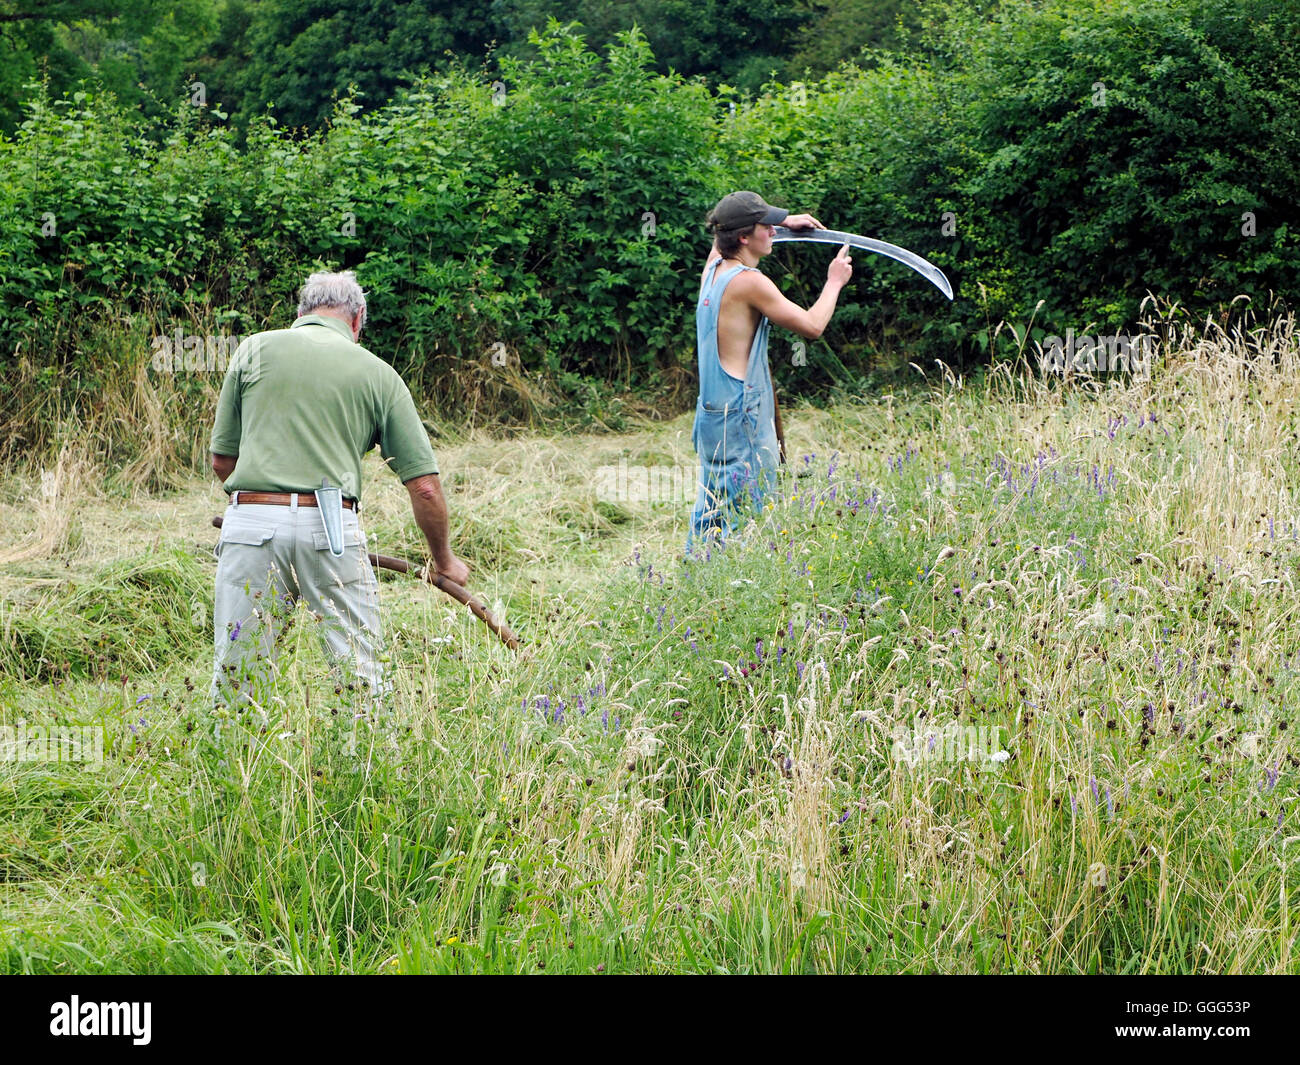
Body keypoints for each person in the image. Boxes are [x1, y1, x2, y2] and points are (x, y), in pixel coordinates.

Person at [208, 270, 470, 707]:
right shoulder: (378, 374)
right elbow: (424, 488)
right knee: (360, 678)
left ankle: (228, 768)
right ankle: (364, 765)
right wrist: (444, 560)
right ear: (357, 318)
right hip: (330, 531)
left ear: (301, 314)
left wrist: (264, 509)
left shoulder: (252, 349)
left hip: (250, 523)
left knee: (238, 675)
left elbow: (222, 461)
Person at [688, 191, 853, 546]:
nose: (775, 233)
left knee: (713, 511)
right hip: (741, 418)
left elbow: (721, 236)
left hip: (712, 416)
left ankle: (695, 578)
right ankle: (726, 590)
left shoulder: (713, 269)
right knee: (746, 518)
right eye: (767, 227)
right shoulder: (749, 282)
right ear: (744, 237)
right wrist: (834, 281)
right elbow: (812, 325)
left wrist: (782, 219)